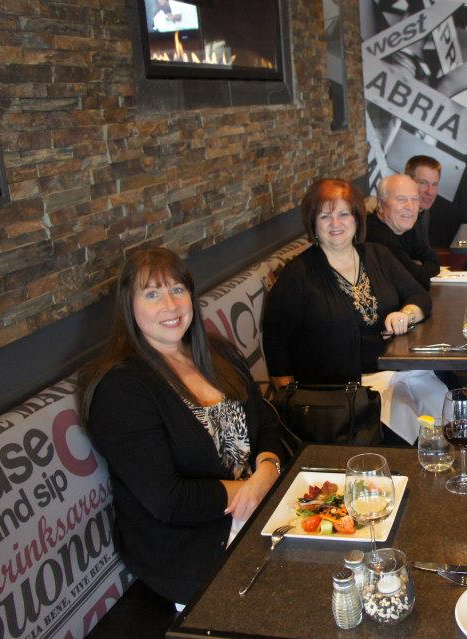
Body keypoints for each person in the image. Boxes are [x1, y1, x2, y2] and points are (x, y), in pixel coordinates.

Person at [79, 247, 284, 605]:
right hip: (194, 546)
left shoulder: (217, 353)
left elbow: (265, 420)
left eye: (177, 289)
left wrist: (267, 469)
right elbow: (169, 500)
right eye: (152, 294)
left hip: (260, 506)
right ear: (128, 305)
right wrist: (250, 490)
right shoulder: (120, 388)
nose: (171, 306)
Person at [262, 178, 447, 444]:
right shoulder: (297, 276)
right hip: (344, 396)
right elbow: (276, 345)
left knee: (449, 415)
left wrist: (405, 314)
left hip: (398, 373)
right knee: (415, 438)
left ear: (357, 218)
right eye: (325, 216)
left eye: (343, 214)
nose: (335, 223)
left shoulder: (377, 255)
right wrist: (294, 407)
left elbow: (419, 296)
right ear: (313, 223)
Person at [365, 174, 441, 290]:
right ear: (380, 204)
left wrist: (419, 270)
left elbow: (434, 262)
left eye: (414, 199)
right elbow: (414, 278)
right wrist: (419, 268)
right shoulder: (375, 235)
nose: (410, 207)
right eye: (401, 199)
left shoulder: (403, 228)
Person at [404, 155, 442, 247]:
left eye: (434, 184)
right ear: (407, 182)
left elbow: (424, 250)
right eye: (423, 183)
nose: (430, 192)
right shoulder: (396, 217)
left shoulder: (424, 211)